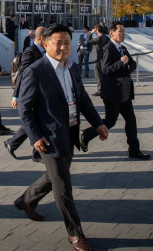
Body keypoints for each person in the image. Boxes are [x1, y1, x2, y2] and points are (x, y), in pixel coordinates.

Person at [15, 24, 108, 251]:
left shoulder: (72, 68)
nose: (64, 47)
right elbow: (24, 109)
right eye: (59, 43)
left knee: (54, 176)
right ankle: (75, 234)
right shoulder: (35, 71)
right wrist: (35, 136)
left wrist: (98, 123)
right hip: (48, 138)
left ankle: (26, 200)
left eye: (67, 42)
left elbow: (83, 99)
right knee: (63, 186)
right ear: (46, 44)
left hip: (69, 132)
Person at [81, 21, 150, 160]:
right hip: (113, 92)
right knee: (111, 121)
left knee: (131, 120)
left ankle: (134, 150)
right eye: (121, 31)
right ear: (112, 33)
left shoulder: (122, 48)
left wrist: (125, 65)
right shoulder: (108, 48)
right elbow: (105, 69)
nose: (123, 34)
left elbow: (132, 64)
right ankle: (87, 134)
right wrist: (121, 63)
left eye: (124, 31)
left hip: (124, 92)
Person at [5, 25, 46, 162]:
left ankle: (13, 143)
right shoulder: (30, 52)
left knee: (36, 120)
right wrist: (15, 95)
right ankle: (35, 152)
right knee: (34, 120)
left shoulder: (42, 51)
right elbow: (22, 73)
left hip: (39, 91)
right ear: (41, 38)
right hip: (30, 92)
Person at [88, 25, 109, 96]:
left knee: (97, 74)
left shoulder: (97, 38)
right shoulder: (106, 38)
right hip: (104, 57)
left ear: (97, 30)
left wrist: (91, 33)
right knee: (103, 74)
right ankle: (105, 88)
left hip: (97, 58)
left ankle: (100, 89)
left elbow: (88, 41)